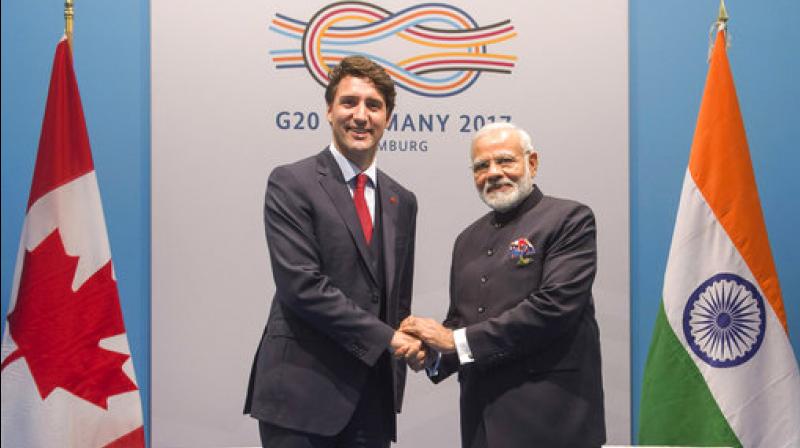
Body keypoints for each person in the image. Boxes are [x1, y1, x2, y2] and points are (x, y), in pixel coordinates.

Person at [244, 55, 421, 448]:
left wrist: (413, 341)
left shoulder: (401, 199)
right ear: (328, 110)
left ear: (388, 118)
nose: (361, 115)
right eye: (349, 102)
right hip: (301, 398)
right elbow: (301, 286)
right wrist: (391, 339)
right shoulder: (292, 182)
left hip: (372, 402)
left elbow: (397, 301)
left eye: (374, 106)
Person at [401, 122, 606, 448]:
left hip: (553, 423)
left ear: (532, 163)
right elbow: (461, 320)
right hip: (481, 423)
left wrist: (454, 340)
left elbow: (553, 307)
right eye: (481, 166)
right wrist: (431, 354)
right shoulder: (466, 239)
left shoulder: (569, 219)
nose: (493, 172)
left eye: (505, 161)